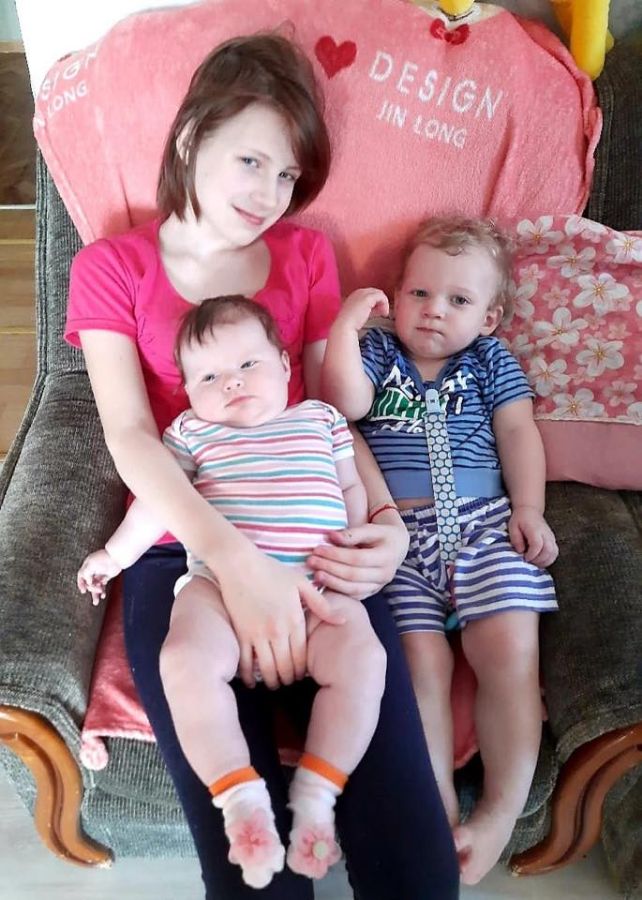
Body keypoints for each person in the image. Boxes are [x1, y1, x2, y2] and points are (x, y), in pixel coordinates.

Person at [64, 32, 459, 900]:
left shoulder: (307, 256)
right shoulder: (110, 267)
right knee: (254, 877)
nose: (270, 194)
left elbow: (327, 420)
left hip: (319, 542)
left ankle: (323, 799)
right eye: (251, 161)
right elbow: (132, 437)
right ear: (189, 138)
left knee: (415, 862)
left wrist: (387, 527)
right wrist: (235, 563)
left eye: (287, 175)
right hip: (184, 552)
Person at [77, 296, 387, 888]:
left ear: (285, 365)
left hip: (320, 586)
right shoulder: (191, 433)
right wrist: (113, 556)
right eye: (209, 377)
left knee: (364, 660)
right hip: (217, 590)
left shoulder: (321, 419)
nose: (232, 384)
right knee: (183, 659)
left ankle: (318, 791)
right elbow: (156, 504)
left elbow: (352, 488)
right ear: (188, 393)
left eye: (248, 365)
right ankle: (237, 795)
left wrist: (362, 543)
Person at [322, 215, 559, 886]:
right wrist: (345, 329)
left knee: (510, 651)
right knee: (418, 668)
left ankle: (499, 812)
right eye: (420, 294)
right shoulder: (376, 352)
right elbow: (342, 404)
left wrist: (529, 509)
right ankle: (434, 811)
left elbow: (518, 433)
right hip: (400, 541)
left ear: (490, 318)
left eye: (459, 300)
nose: (433, 311)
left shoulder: (490, 362)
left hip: (487, 529)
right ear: (396, 297)